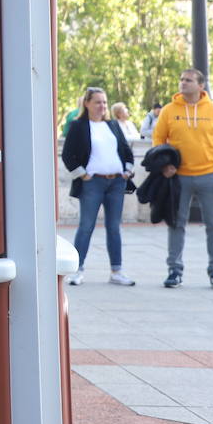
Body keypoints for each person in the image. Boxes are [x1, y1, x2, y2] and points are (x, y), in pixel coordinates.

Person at [152, 68, 213, 290]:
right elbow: (158, 138)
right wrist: (164, 165)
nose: (183, 83)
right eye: (181, 79)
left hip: (209, 176)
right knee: (176, 223)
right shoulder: (169, 110)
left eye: (188, 80)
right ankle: (174, 270)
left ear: (201, 86)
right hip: (178, 177)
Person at [61, 87, 136, 286]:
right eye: (97, 102)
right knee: (86, 226)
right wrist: (82, 174)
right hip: (92, 183)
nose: (102, 106)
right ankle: (77, 270)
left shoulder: (112, 125)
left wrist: (127, 170)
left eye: (104, 102)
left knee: (114, 227)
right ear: (87, 103)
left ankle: (116, 271)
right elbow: (68, 155)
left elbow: (126, 151)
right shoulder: (79, 126)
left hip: (116, 183)